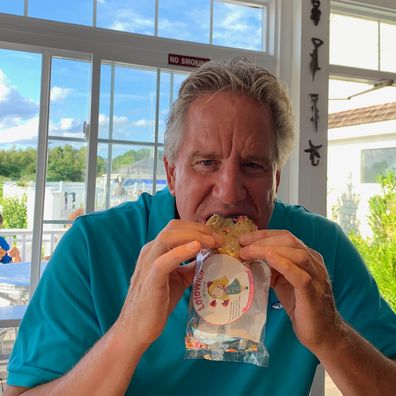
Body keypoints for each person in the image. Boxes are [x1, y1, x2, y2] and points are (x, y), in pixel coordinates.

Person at [5, 58, 396, 395]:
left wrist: (333, 336)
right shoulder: (93, 246)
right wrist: (127, 335)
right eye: (206, 162)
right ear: (172, 174)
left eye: (253, 165)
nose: (228, 193)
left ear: (275, 180)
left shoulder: (317, 250)